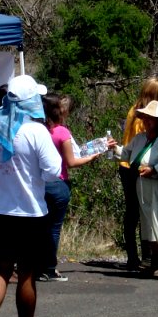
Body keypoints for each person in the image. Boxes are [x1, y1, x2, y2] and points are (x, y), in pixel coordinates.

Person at [0, 75, 63, 317]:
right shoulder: (35, 131)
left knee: (1, 268)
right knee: (26, 273)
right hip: (29, 210)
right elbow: (52, 170)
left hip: (0, 209)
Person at [39, 93, 115, 282]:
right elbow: (71, 161)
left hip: (40, 183)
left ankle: (35, 265)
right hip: (58, 182)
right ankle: (48, 268)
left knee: (40, 227)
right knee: (54, 228)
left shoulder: (38, 130)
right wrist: (92, 156)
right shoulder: (62, 132)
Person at [119, 101, 158, 279]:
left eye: (151, 118)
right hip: (144, 190)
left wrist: (154, 170)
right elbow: (126, 154)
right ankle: (156, 261)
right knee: (149, 224)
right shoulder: (139, 138)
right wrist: (112, 148)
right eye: (145, 117)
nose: (147, 120)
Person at [118, 78, 158, 270]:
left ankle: (133, 256)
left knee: (132, 212)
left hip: (125, 164)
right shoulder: (144, 116)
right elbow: (144, 141)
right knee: (143, 210)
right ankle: (145, 257)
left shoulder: (133, 109)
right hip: (136, 165)